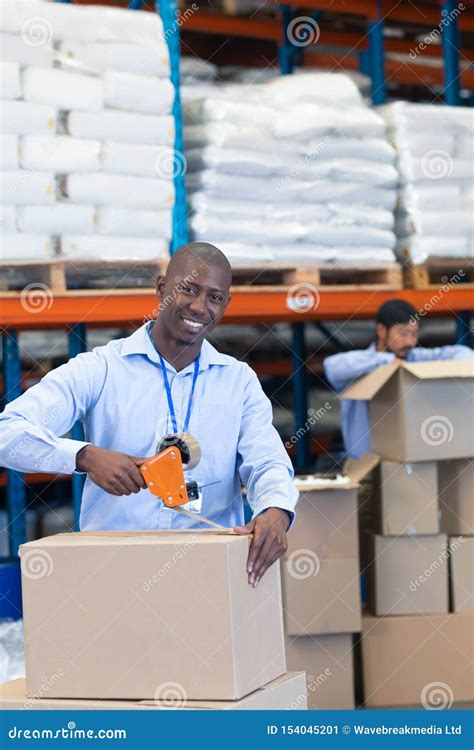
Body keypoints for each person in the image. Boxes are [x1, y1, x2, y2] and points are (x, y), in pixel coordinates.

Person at [0, 242, 298, 587]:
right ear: (162, 289)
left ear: (226, 305)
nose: (200, 307)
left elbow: (267, 462)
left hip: (208, 574)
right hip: (113, 573)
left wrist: (276, 509)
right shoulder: (102, 369)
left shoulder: (238, 382)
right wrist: (84, 455)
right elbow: (7, 434)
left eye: (215, 297)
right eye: (189, 289)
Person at [324, 298, 473, 459]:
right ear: (381, 330)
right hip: (365, 465)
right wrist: (387, 361)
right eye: (402, 334)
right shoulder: (360, 365)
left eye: (414, 334)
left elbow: (463, 355)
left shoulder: (415, 358)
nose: (410, 341)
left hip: (411, 461)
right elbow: (332, 366)